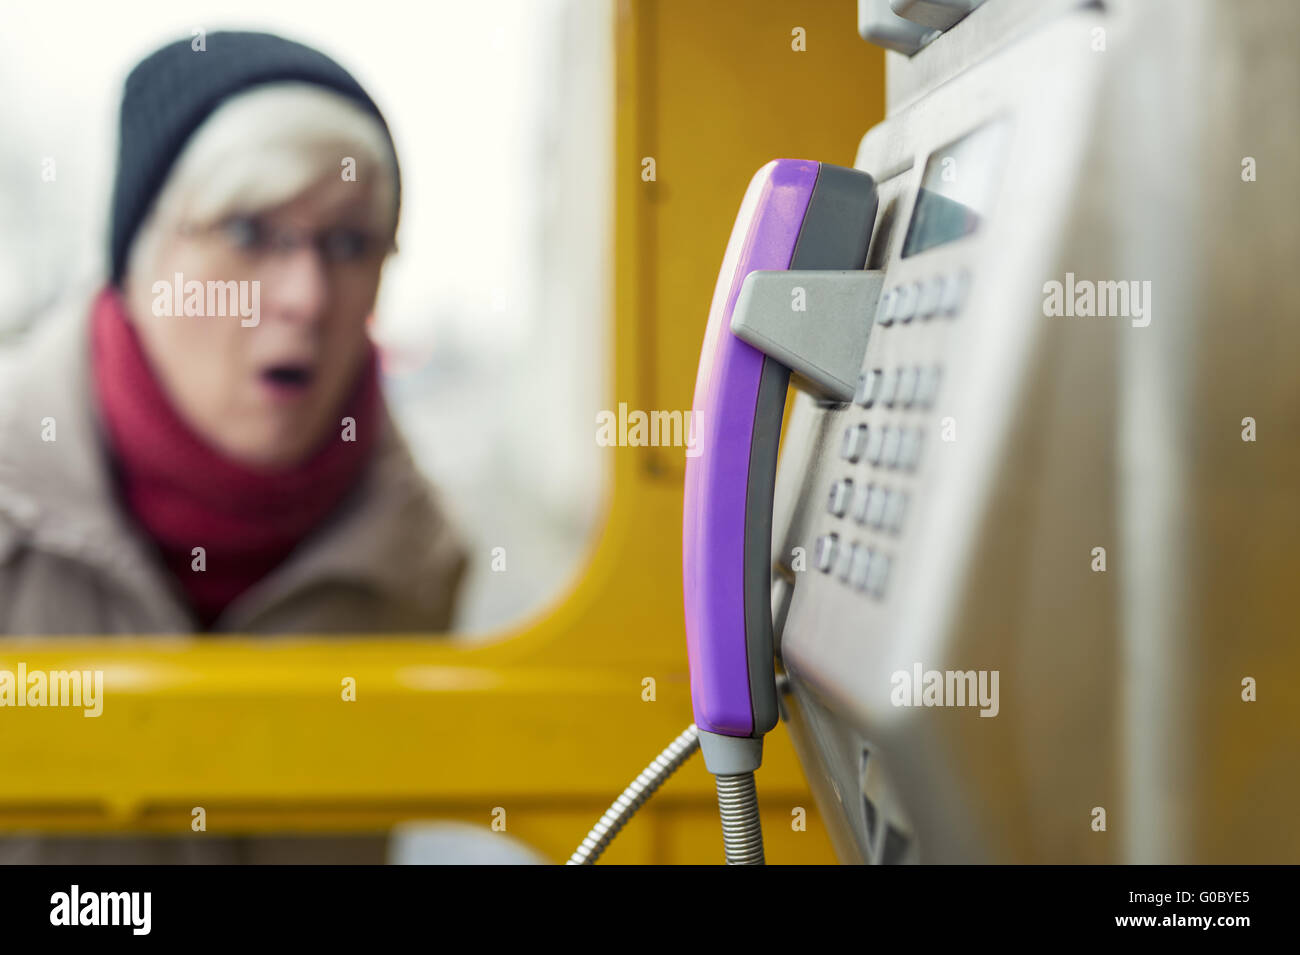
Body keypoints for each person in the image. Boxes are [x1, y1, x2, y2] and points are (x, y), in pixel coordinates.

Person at [0, 31, 468, 636]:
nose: (308, 298)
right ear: (138, 263)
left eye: (351, 244)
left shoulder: (420, 560)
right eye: (247, 233)